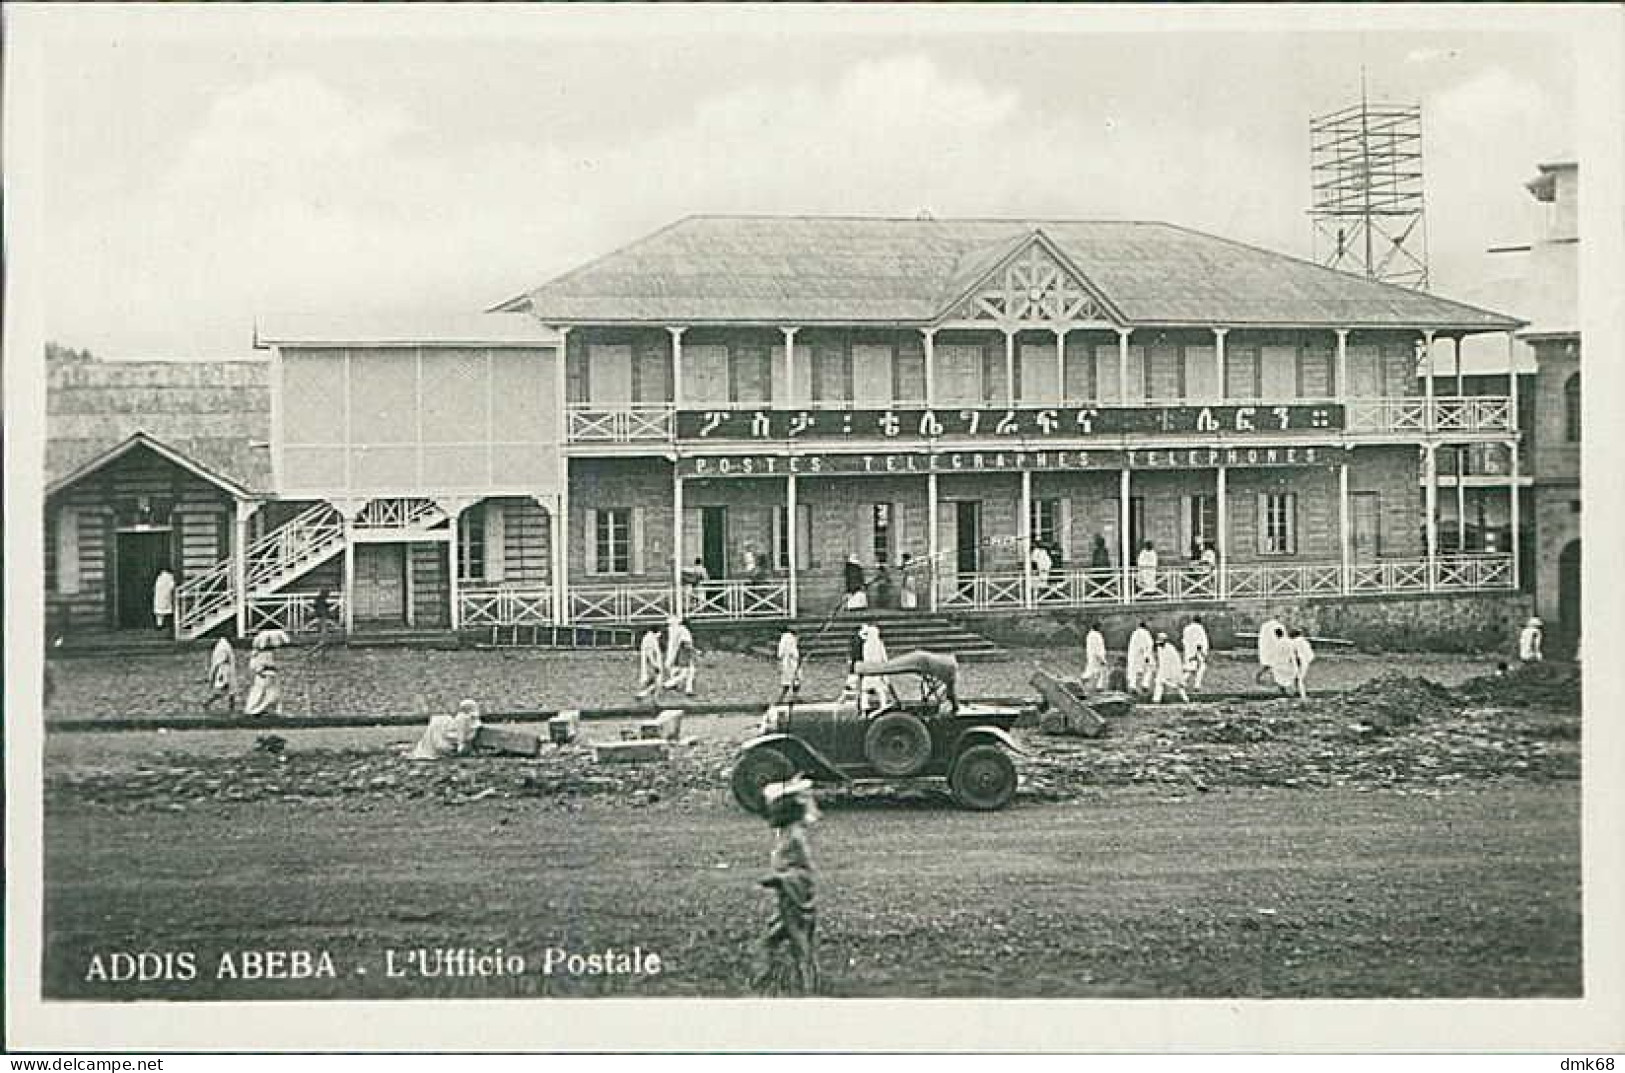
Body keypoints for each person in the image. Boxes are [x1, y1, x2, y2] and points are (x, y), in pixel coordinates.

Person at [753, 776, 820, 996]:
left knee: (797, 945)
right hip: (787, 900)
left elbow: (805, 872)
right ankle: (770, 979)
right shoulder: (785, 834)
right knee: (775, 941)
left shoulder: (795, 837)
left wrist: (780, 880)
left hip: (794, 901)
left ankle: (805, 987)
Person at [409, 699, 483, 761]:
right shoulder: (464, 718)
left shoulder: (465, 718)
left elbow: (462, 736)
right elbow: (462, 735)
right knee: (439, 722)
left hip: (451, 739)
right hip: (449, 738)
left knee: (439, 722)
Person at [243, 627, 291, 717]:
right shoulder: (262, 654)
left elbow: (255, 666)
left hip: (266, 674)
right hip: (265, 675)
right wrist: (262, 671)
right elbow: (262, 666)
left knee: (271, 694)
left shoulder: (260, 653)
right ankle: (254, 710)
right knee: (268, 694)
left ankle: (262, 710)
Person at [202, 636, 238, 713]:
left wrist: (211, 676)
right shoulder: (223, 646)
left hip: (226, 670)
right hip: (224, 670)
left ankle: (232, 708)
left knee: (230, 690)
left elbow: (216, 664)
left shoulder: (221, 646)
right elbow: (217, 663)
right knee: (225, 690)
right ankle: (207, 703)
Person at [1152, 632, 1190, 704]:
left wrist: (1178, 674)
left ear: (1165, 641)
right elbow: (1161, 661)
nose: (1159, 644)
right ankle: (1156, 700)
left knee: (1178, 685)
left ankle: (1186, 699)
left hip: (1173, 669)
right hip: (1163, 669)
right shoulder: (1159, 648)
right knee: (1159, 683)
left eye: (1161, 642)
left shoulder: (1170, 649)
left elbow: (1176, 662)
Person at [663, 616, 697, 696]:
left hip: (676, 653)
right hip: (684, 654)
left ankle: (685, 688)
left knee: (683, 671)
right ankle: (670, 684)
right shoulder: (684, 631)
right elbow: (686, 644)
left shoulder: (672, 630)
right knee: (687, 671)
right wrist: (695, 651)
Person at [634, 624, 666, 701]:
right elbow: (649, 653)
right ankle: (644, 695)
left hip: (651, 663)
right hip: (651, 664)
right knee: (656, 682)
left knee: (655, 683)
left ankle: (649, 697)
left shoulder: (650, 638)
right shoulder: (650, 639)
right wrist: (654, 665)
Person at [1263, 624, 1297, 696]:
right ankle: (1290, 692)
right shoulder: (1290, 642)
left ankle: (1284, 692)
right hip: (1288, 663)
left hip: (1281, 664)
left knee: (1278, 677)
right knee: (1288, 678)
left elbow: (1275, 655)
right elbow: (1294, 652)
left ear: (1276, 635)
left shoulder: (1277, 643)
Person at [1182, 615, 1211, 691]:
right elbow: (1202, 641)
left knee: (1191, 668)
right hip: (1198, 652)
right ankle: (1197, 685)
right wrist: (1203, 652)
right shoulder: (1200, 628)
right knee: (1202, 667)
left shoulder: (1186, 628)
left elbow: (1184, 641)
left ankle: (1182, 681)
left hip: (1189, 652)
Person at [1126, 621, 1156, 696]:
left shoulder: (1134, 633)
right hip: (1142, 655)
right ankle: (1145, 684)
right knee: (1150, 668)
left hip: (1133, 656)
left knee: (1134, 671)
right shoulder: (1145, 633)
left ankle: (1132, 686)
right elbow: (1147, 645)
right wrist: (1147, 656)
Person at [307, 588, 337, 658]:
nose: (328, 596)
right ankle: (310, 653)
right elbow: (322, 612)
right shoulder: (321, 602)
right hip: (322, 621)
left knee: (325, 640)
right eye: (328, 594)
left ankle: (322, 655)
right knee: (324, 641)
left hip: (322, 620)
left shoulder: (319, 601)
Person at [1255, 616, 1286, 685]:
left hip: (1265, 649)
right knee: (1275, 665)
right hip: (1274, 649)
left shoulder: (1265, 625)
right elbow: (1281, 638)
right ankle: (1274, 679)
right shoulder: (1279, 626)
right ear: (1279, 618)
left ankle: (1261, 677)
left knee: (1268, 665)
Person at [775, 627, 802, 703]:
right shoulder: (788, 639)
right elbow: (785, 653)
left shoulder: (786, 639)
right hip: (790, 662)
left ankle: (791, 697)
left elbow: (780, 653)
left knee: (794, 681)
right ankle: (783, 698)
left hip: (790, 662)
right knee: (791, 681)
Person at [1288, 628, 1316, 700]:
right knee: (1298, 678)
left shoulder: (1294, 642)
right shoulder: (1304, 641)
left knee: (1298, 679)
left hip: (1300, 661)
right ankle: (1298, 694)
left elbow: (1292, 653)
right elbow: (1311, 655)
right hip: (1304, 661)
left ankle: (1302, 696)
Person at [1082, 621, 1109, 691]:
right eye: (1100, 627)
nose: (1101, 628)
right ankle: (1098, 687)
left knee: (1092, 670)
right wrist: (1101, 659)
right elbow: (1097, 648)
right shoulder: (1096, 635)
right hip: (1096, 657)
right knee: (1100, 672)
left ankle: (1095, 685)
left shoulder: (1090, 634)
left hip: (1092, 656)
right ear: (1098, 627)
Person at [152, 568, 176, 632]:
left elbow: (156, 587)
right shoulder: (170, 577)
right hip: (166, 595)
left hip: (159, 596)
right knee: (167, 610)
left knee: (159, 612)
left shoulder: (159, 577)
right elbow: (172, 586)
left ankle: (159, 625)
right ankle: (170, 625)